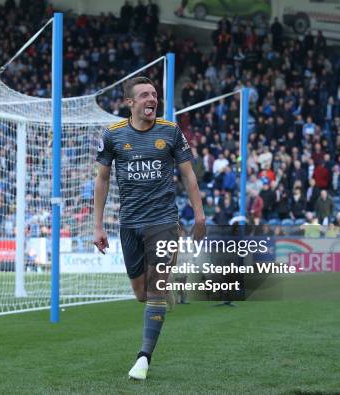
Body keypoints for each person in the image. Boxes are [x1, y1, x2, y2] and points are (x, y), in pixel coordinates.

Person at [93, 76, 205, 380]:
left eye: (154, 94)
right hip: (129, 223)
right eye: (144, 95)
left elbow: (188, 174)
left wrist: (199, 214)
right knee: (141, 294)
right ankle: (163, 288)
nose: (151, 99)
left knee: (154, 292)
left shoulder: (170, 131)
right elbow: (102, 179)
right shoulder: (113, 135)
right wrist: (98, 226)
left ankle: (143, 358)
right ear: (130, 103)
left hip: (164, 222)